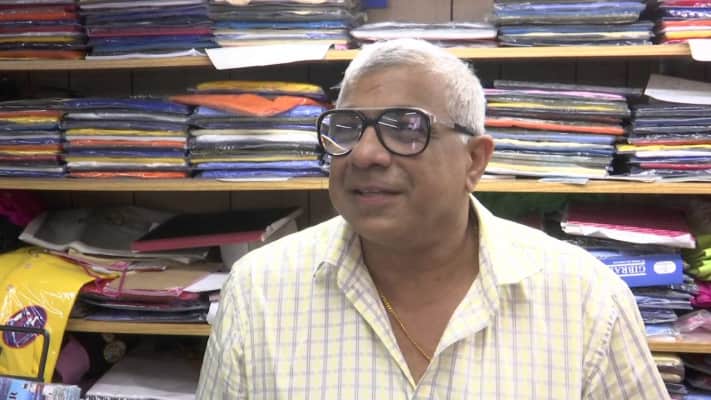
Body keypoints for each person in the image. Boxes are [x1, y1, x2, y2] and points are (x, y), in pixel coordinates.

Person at [197, 38, 668, 399]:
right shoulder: (259, 289)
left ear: (474, 161)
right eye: (347, 128)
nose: (364, 154)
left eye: (406, 128)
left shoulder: (586, 298)